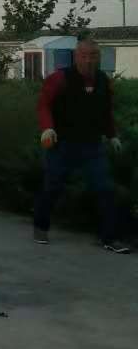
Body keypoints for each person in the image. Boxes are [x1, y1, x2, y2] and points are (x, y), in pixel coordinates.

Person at [33, 35, 129, 252]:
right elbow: (43, 105)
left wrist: (112, 136)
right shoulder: (59, 78)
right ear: (76, 56)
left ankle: (110, 238)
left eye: (93, 56)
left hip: (92, 146)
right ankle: (40, 226)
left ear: (99, 57)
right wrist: (47, 127)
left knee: (105, 188)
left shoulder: (103, 81)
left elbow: (106, 112)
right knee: (52, 186)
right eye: (84, 56)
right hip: (62, 144)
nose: (89, 60)